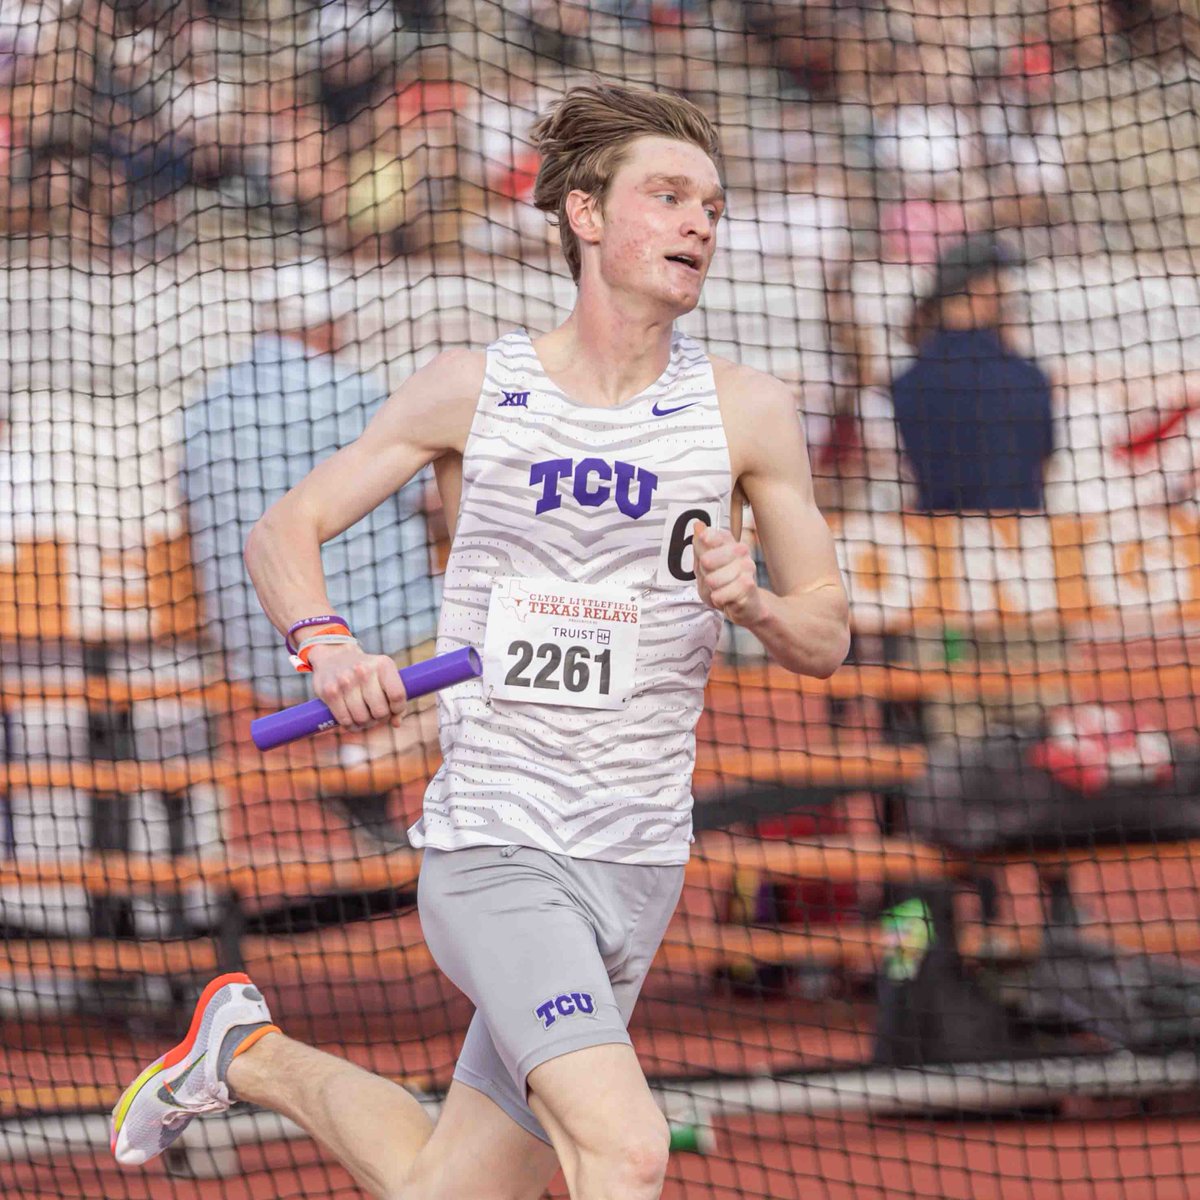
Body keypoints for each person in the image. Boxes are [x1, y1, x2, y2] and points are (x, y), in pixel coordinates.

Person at [111, 84, 851, 1200]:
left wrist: (752, 602)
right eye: (669, 196)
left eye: (713, 203)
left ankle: (244, 1054)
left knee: (446, 1189)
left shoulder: (746, 411)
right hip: (502, 842)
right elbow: (285, 530)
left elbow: (827, 634)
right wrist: (328, 649)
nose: (701, 222)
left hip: (640, 855)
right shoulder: (478, 389)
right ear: (587, 216)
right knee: (626, 1149)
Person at [892, 234, 1055, 513]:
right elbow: (1044, 468)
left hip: (937, 543)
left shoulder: (909, 383)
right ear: (982, 288)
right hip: (1019, 543)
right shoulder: (1027, 378)